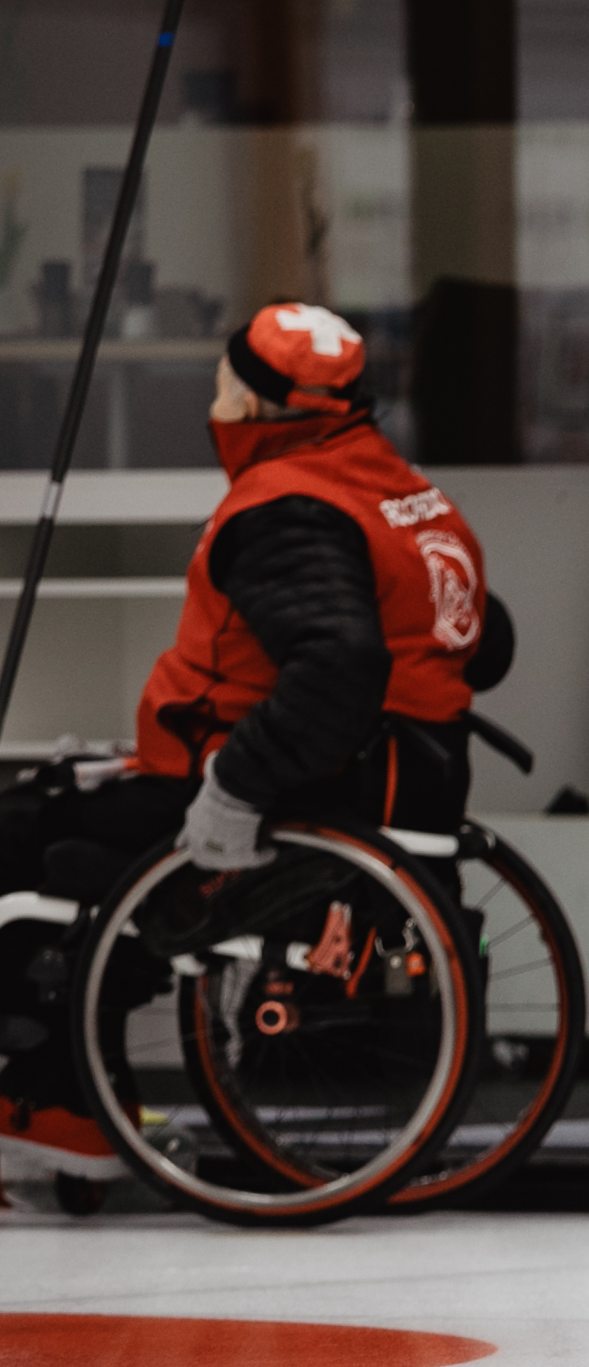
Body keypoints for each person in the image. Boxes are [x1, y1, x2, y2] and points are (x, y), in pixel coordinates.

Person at [0, 302, 501, 1183]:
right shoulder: (394, 487)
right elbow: (483, 643)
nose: (214, 404)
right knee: (70, 809)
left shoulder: (286, 508)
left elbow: (340, 663)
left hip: (285, 793)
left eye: (223, 387)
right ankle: (84, 1099)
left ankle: (59, 1108)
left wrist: (233, 788)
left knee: (26, 838)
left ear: (257, 406)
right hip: (388, 777)